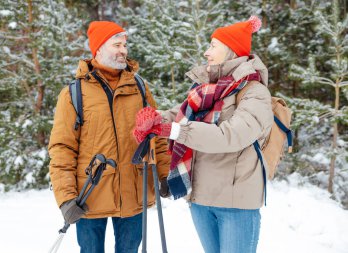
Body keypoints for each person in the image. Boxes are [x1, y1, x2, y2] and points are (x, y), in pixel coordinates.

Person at [133, 16, 273, 253]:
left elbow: (231, 136)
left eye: (213, 46)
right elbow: (180, 115)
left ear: (231, 51)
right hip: (200, 199)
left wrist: (175, 130)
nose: (206, 53)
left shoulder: (255, 93)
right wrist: (156, 119)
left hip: (235, 204)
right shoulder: (205, 90)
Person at [48, 21, 170, 253]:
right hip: (90, 196)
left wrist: (164, 175)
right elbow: (62, 148)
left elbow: (157, 137)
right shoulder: (74, 93)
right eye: (117, 44)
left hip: (134, 193)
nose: (123, 50)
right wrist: (65, 198)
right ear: (99, 49)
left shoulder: (140, 88)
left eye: (124, 44)